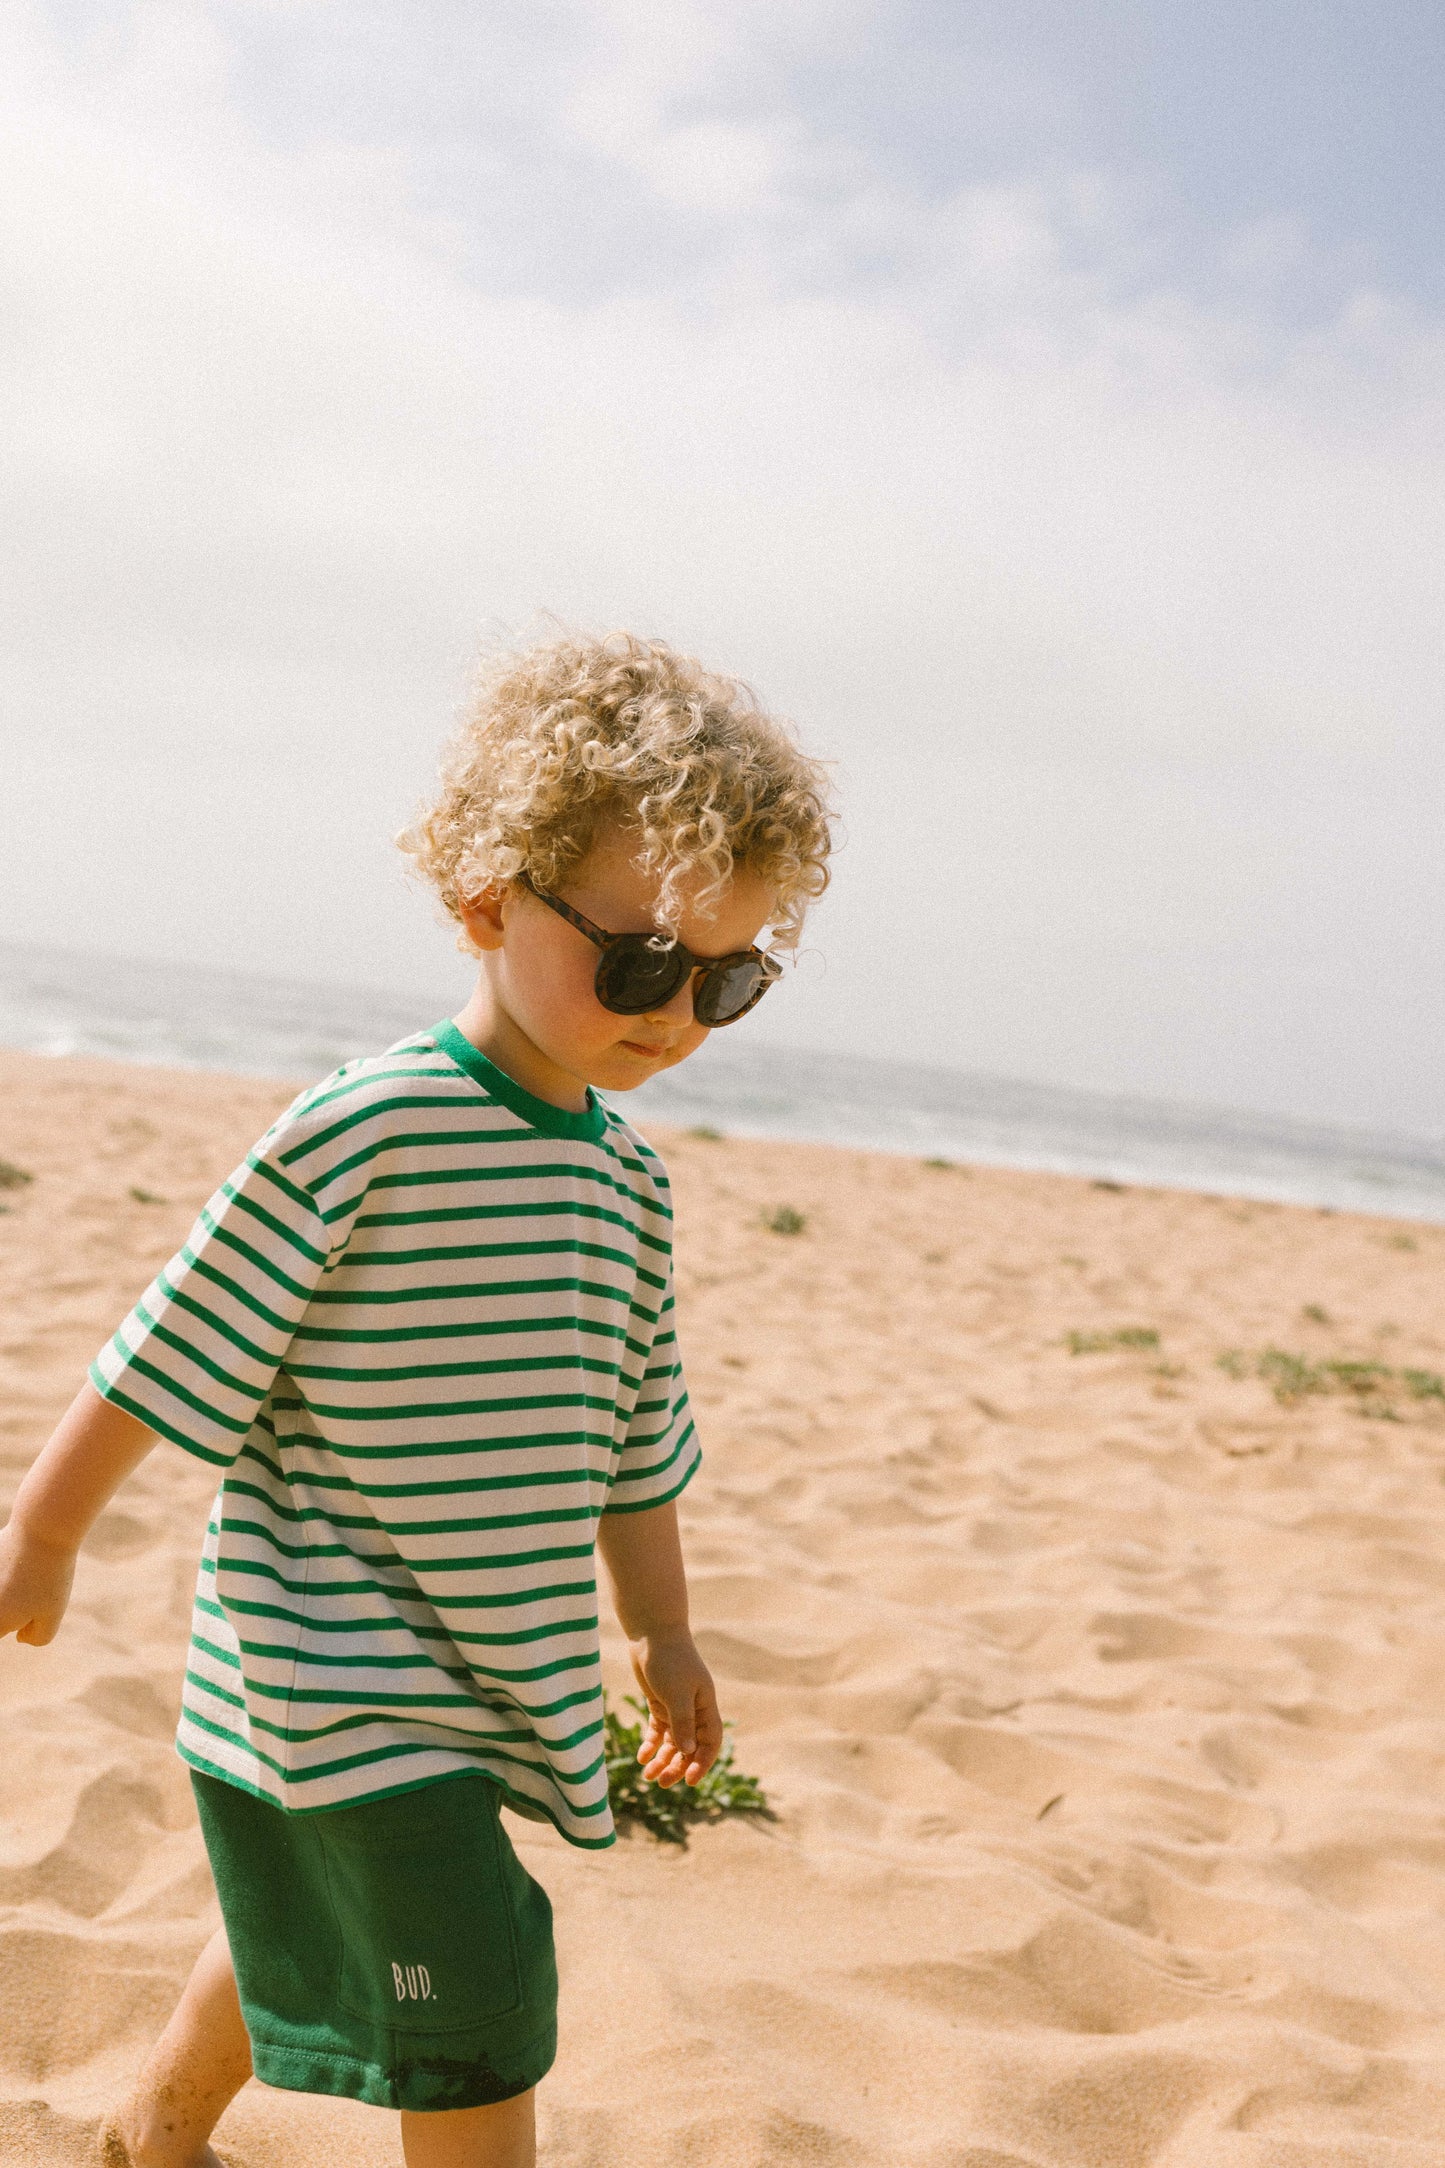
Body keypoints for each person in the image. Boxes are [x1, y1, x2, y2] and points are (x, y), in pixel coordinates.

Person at [0, 631, 833, 2168]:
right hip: (328, 1667)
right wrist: (45, 1531)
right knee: (479, 2009)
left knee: (303, 1929)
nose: (675, 1012)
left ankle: (150, 2134)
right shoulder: (373, 1128)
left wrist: (660, 1628)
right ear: (487, 901)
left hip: (483, 1673)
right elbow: (171, 1338)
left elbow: (633, 1444)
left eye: (728, 979)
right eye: (643, 961)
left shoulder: (629, 1186)